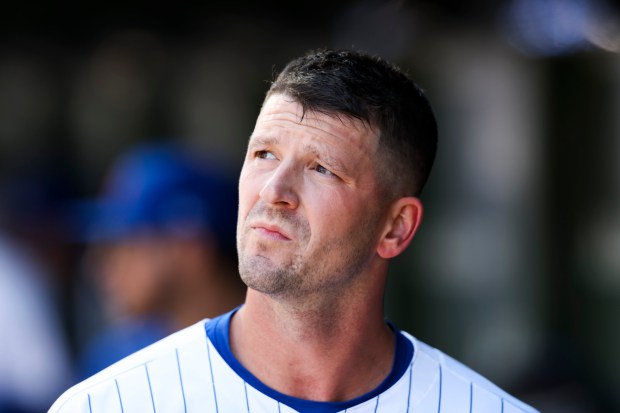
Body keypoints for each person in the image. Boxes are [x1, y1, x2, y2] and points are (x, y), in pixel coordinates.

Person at [49, 49, 538, 412]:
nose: (274, 190)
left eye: (322, 168)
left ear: (395, 227)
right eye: (264, 155)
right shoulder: (106, 403)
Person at [73, 143, 245, 378]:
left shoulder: (289, 354)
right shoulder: (114, 361)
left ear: (191, 250)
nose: (98, 266)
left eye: (125, 245)